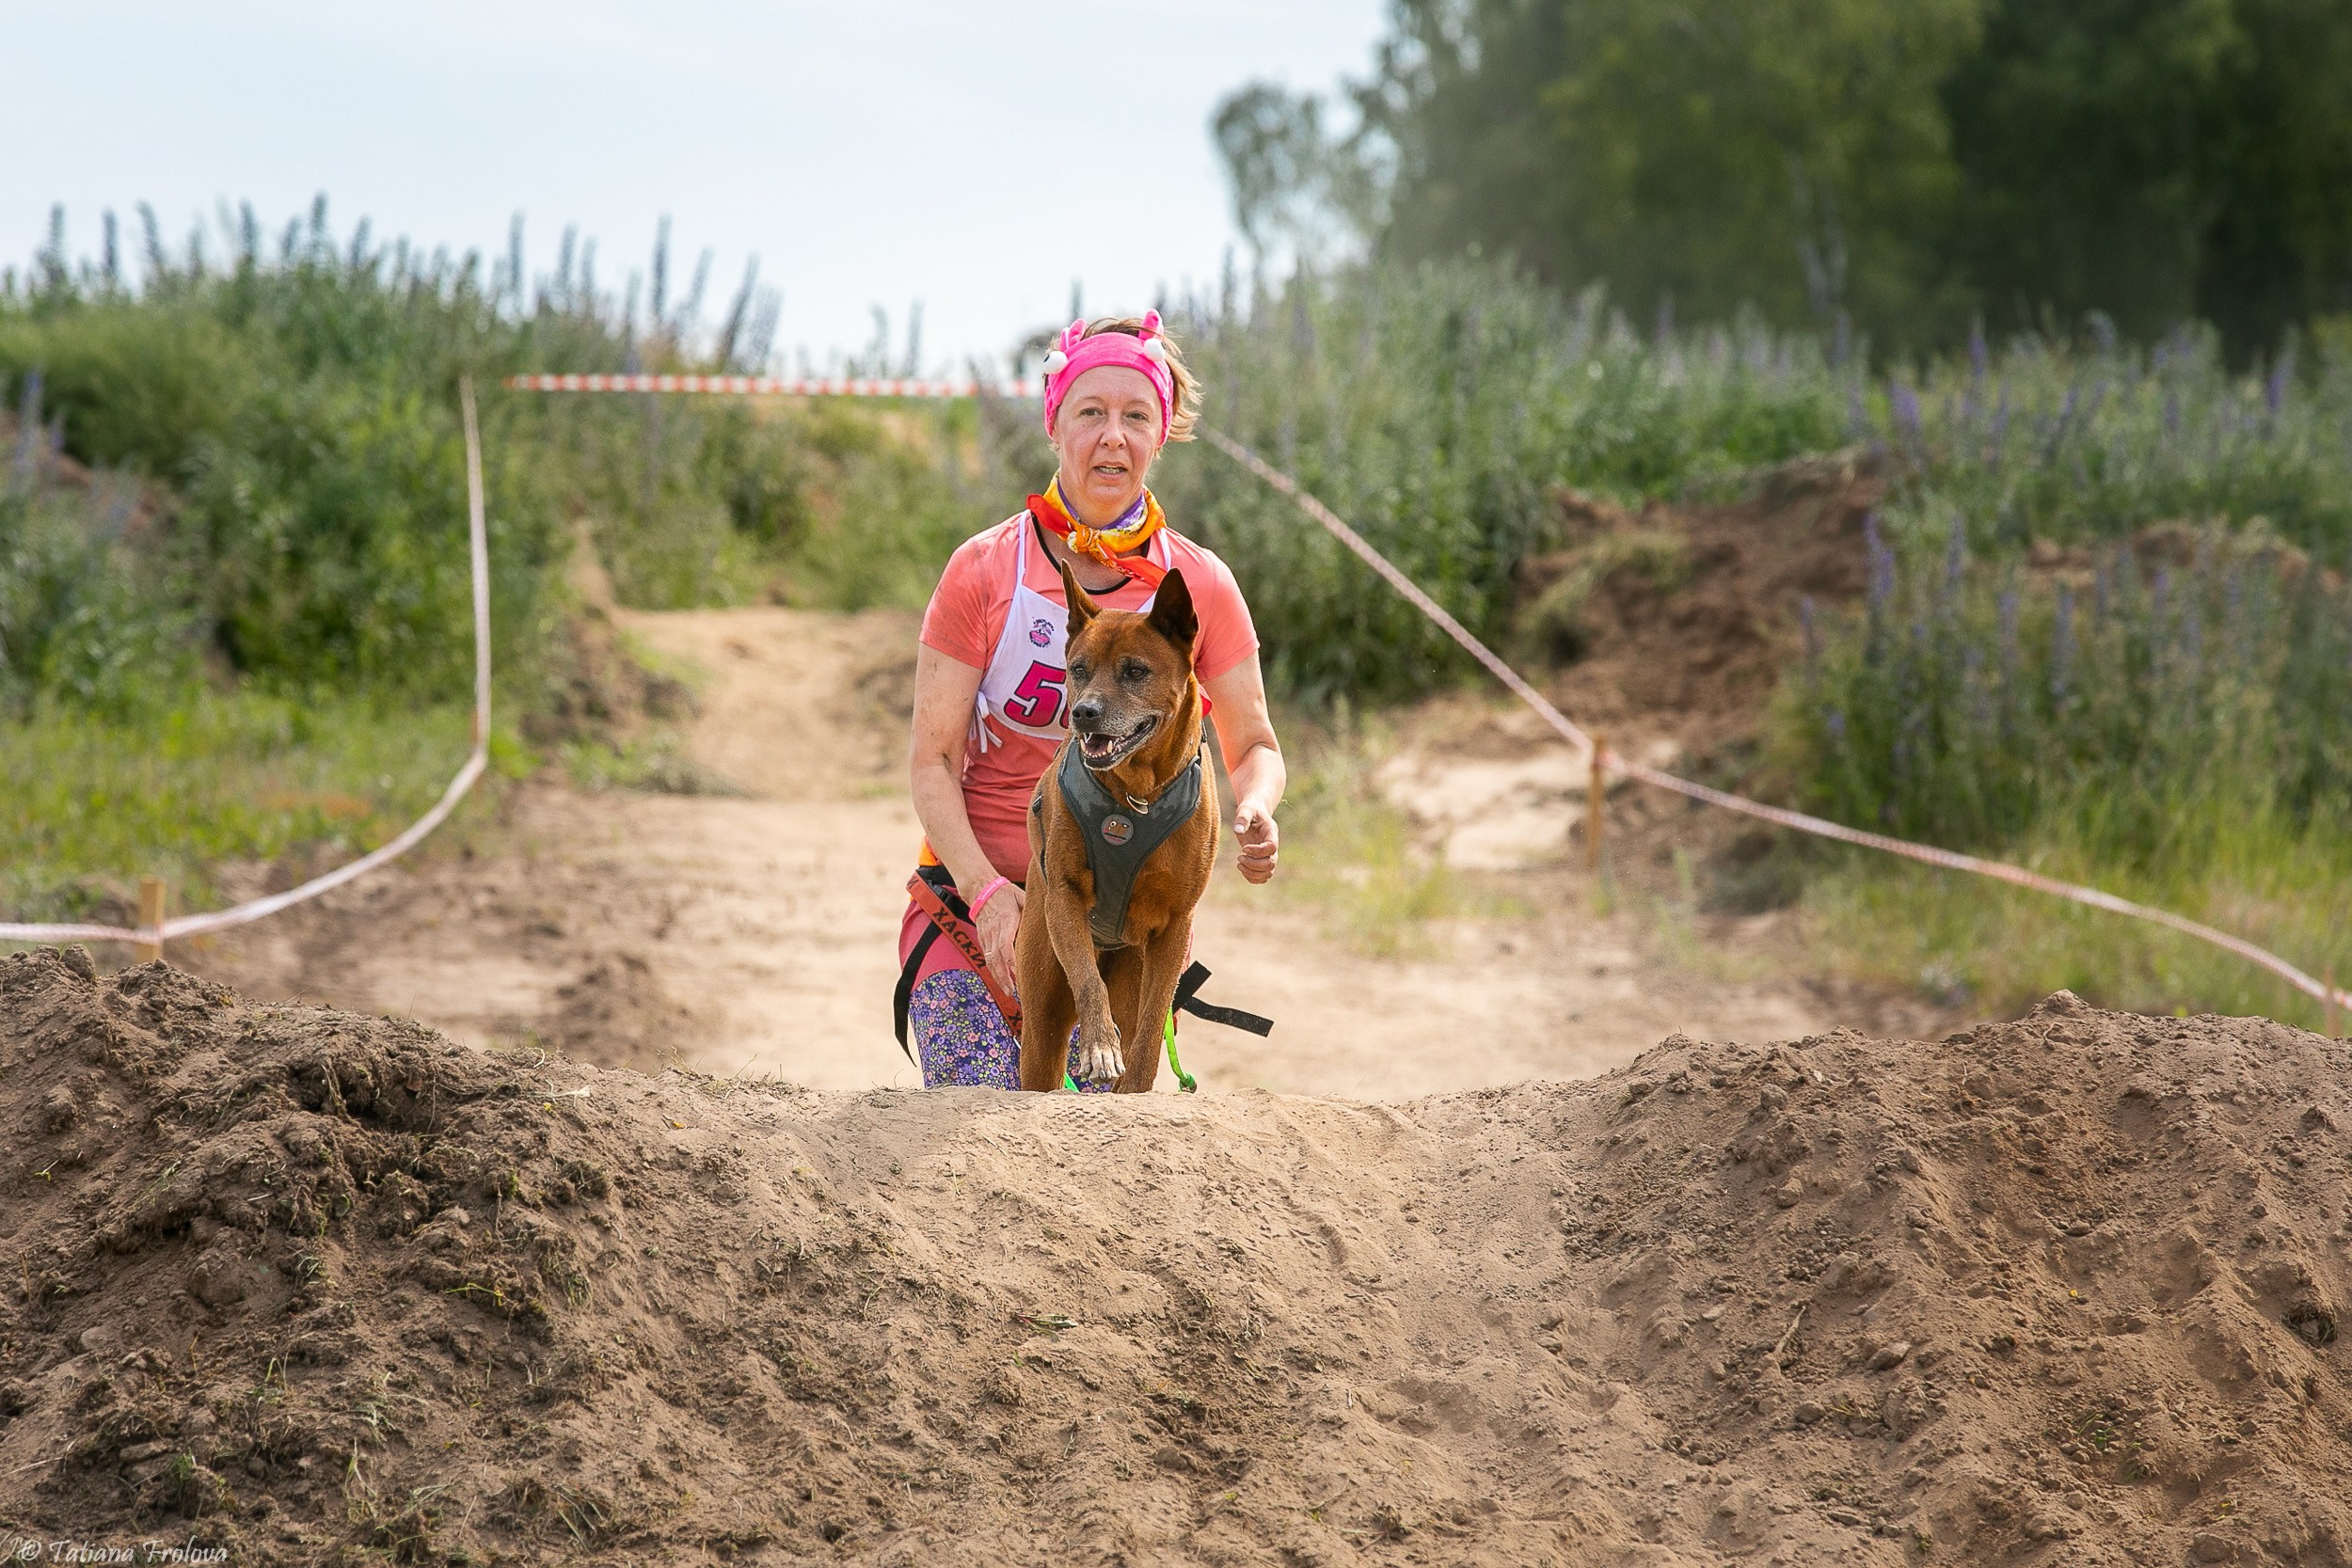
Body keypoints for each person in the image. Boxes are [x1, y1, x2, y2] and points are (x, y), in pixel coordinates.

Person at [899, 311, 1285, 1089]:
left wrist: (1256, 809)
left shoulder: (1200, 583)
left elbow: (1255, 748)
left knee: (1104, 1136)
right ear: (1054, 426)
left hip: (1129, 927)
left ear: (1160, 434)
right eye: (1090, 412)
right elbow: (932, 761)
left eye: (1136, 415)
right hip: (976, 907)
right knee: (985, 1118)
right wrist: (986, 895)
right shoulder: (984, 569)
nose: (1113, 436)